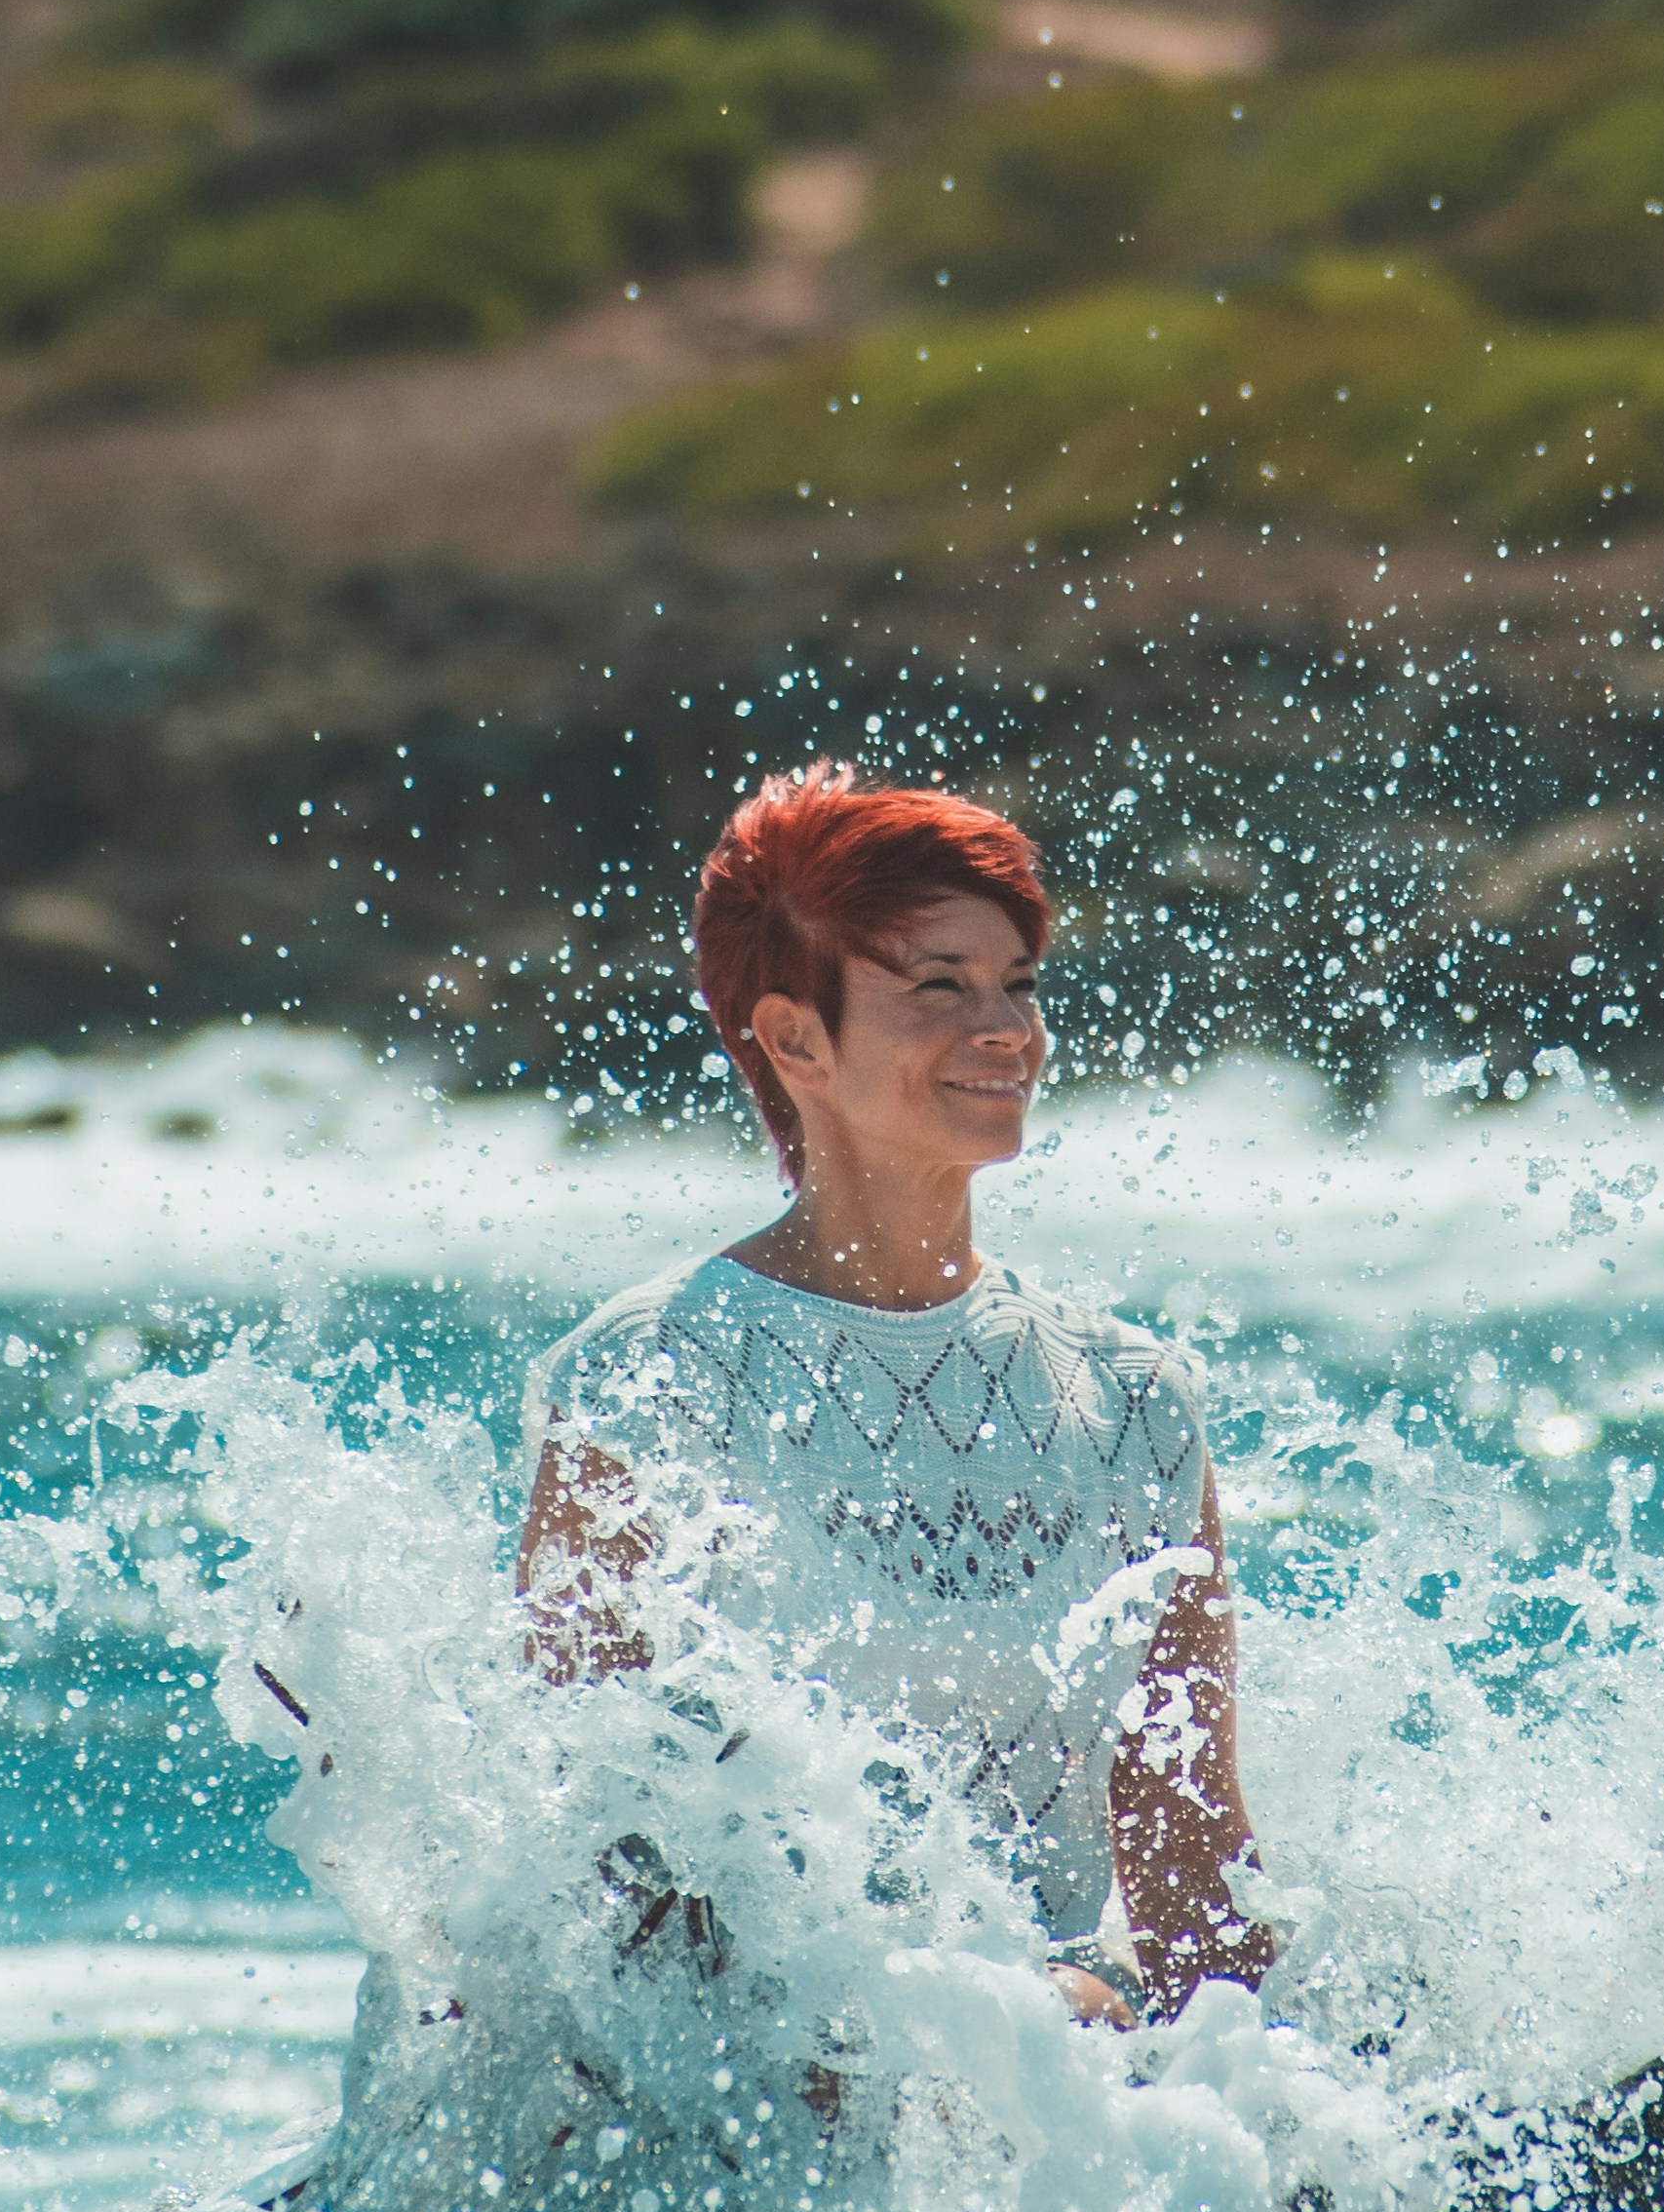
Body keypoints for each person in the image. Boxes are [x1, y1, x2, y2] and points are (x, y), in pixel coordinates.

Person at [516, 763, 1277, 2027]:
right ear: (794, 1038)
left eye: (1018, 984)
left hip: (1069, 2056)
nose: (1009, 1030)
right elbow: (578, 1839)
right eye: (941, 988)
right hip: (743, 2063)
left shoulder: (1137, 1401)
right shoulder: (651, 1375)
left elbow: (1194, 1881)